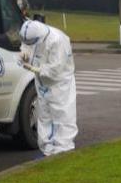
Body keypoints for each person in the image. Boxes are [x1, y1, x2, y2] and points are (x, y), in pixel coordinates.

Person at [18, 19, 77, 156]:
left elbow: (55, 70)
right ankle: (47, 150)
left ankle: (63, 150)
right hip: (42, 83)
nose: (28, 44)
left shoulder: (57, 41)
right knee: (44, 116)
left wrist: (35, 69)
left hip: (60, 84)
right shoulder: (32, 35)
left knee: (62, 116)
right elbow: (27, 45)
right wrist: (24, 54)